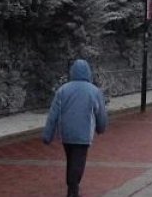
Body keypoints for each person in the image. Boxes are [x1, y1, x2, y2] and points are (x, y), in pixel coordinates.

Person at [43, 59, 108, 197]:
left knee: (71, 159)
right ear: (88, 73)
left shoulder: (63, 90)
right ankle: (73, 189)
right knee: (78, 161)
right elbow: (100, 113)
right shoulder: (94, 91)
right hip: (83, 133)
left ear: (72, 72)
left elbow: (53, 114)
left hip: (66, 133)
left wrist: (47, 135)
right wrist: (101, 128)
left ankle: (72, 186)